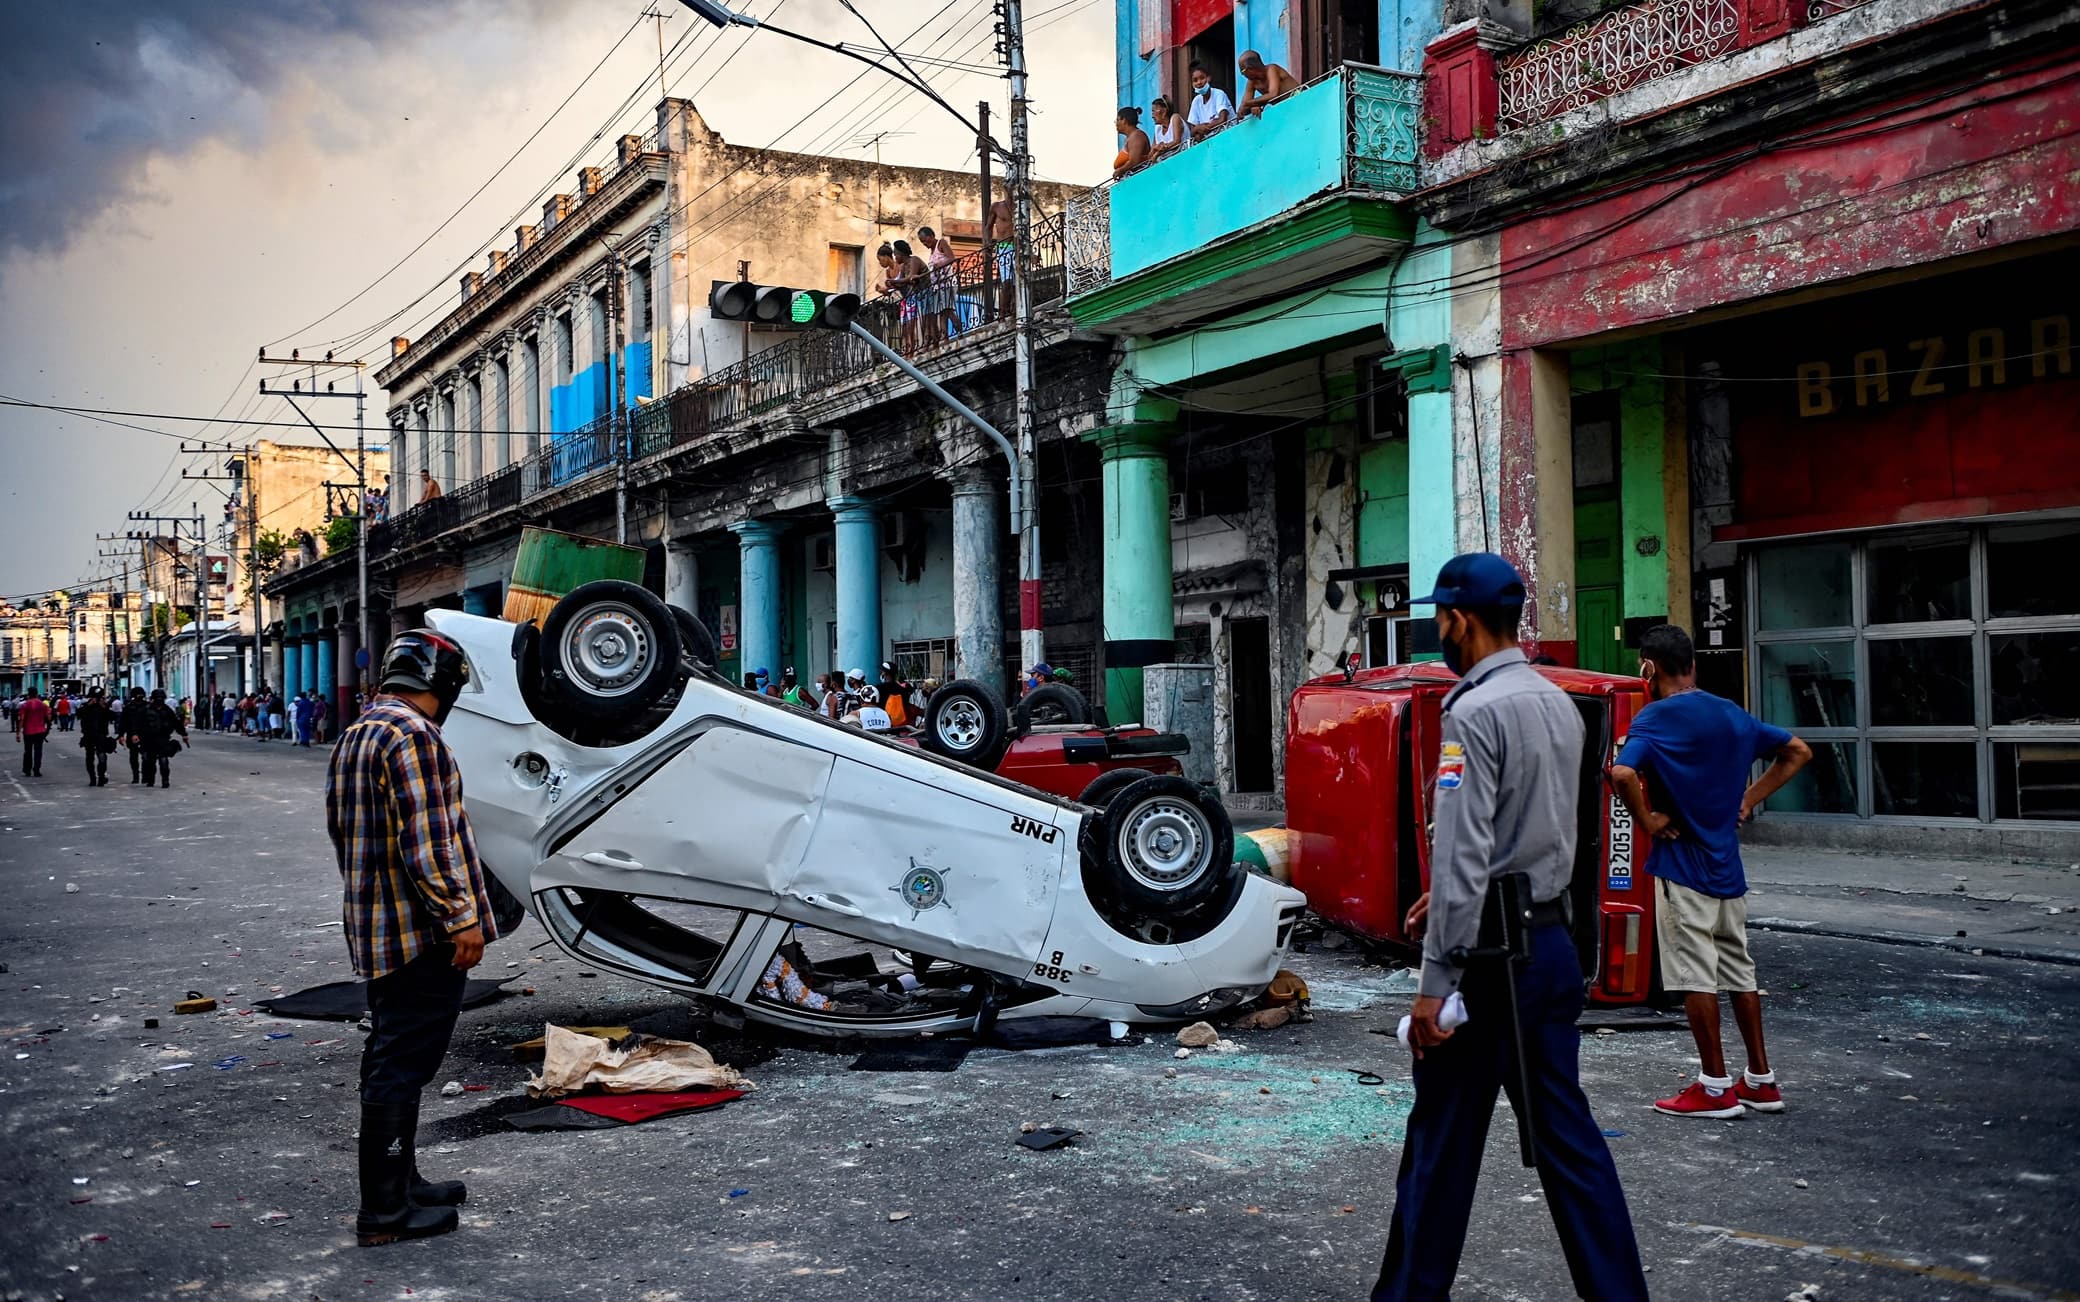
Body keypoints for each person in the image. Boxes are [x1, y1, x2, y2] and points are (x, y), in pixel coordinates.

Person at [1375, 552, 1648, 1302]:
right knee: (1571, 1148)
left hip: (1490, 962)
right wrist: (1469, 899)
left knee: (1440, 1146)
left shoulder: (1473, 709)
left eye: (1439, 616)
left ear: (1458, 619)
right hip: (1549, 947)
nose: (1437, 629)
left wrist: (1435, 983)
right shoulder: (1557, 702)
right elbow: (1543, 835)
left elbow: (1463, 855)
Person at [325, 630, 496, 1247]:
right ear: (443, 683)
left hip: (376, 927)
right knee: (403, 1062)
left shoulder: (360, 731)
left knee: (392, 1052)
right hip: (421, 934)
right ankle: (385, 1213)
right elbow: (427, 845)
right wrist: (463, 919)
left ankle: (404, 1181)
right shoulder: (415, 738)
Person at [1610, 624, 1812, 1119]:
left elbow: (1620, 773)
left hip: (1683, 871)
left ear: (1648, 667)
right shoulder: (1733, 715)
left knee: (1694, 976)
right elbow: (1798, 751)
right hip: (1728, 870)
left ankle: (1715, 1086)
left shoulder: (1655, 719)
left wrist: (1649, 820)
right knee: (1740, 973)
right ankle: (1761, 1080)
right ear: (1693, 665)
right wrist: (1749, 797)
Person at [138, 688, 188, 788]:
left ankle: (165, 781)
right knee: (150, 762)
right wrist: (136, 734)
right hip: (149, 740)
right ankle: (150, 780)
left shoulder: (168, 711)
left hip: (163, 739)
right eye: (158, 698)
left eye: (161, 698)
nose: (159, 700)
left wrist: (183, 734)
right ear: (153, 699)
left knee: (164, 761)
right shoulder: (145, 710)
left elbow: (176, 723)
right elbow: (138, 724)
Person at [1236, 49, 1299, 117]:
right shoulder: (1252, 82)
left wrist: (1250, 103)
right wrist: (1253, 106)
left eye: (1242, 71)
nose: (1243, 75)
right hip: (1284, 111)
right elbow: (1242, 109)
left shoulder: (1271, 69)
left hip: (1299, 101)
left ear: (1251, 68)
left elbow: (1273, 94)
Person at [1185, 61, 1235, 141]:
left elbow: (1222, 119)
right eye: (1195, 80)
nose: (1199, 82)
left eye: (1202, 78)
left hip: (1228, 136)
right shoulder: (1196, 101)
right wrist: (1198, 128)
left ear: (1209, 78)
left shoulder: (1219, 94)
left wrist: (1202, 128)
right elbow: (1192, 131)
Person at [79, 686, 115, 786]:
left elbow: (113, 717)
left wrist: (104, 707)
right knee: (89, 758)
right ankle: (92, 778)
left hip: (101, 735)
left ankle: (101, 777)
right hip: (88, 736)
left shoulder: (104, 707)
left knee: (102, 757)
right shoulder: (86, 706)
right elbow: (79, 714)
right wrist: (88, 705)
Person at [988, 194, 1015, 320]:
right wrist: (987, 244)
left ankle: (1014, 310)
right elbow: (988, 227)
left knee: (1017, 282)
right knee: (1007, 282)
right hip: (1003, 246)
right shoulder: (997, 206)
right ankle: (1002, 313)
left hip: (1018, 246)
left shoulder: (1020, 206)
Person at [17, 688, 51, 777]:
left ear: (29, 694)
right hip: (40, 731)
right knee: (38, 751)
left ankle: (27, 770)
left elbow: (21, 719)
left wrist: (18, 733)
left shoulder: (25, 705)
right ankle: (36, 770)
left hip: (28, 731)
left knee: (28, 751)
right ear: (36, 694)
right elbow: (49, 717)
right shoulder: (43, 705)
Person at [1112, 106, 1151, 179]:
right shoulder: (1130, 138)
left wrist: (1120, 170)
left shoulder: (1136, 136)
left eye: (1117, 120)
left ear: (1124, 120)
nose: (1116, 123)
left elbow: (1134, 161)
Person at [120, 687, 150, 782]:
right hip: (141, 735)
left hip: (136, 735)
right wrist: (121, 735)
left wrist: (121, 735)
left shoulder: (129, 707)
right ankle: (141, 776)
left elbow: (122, 723)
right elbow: (123, 722)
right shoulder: (147, 706)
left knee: (136, 756)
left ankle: (137, 776)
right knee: (143, 756)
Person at [1149, 95, 1188, 160]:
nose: (1152, 116)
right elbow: (1151, 154)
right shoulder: (1158, 128)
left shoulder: (1175, 118)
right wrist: (1154, 150)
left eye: (1154, 111)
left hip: (1183, 157)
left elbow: (1177, 141)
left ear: (1164, 111)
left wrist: (1161, 150)